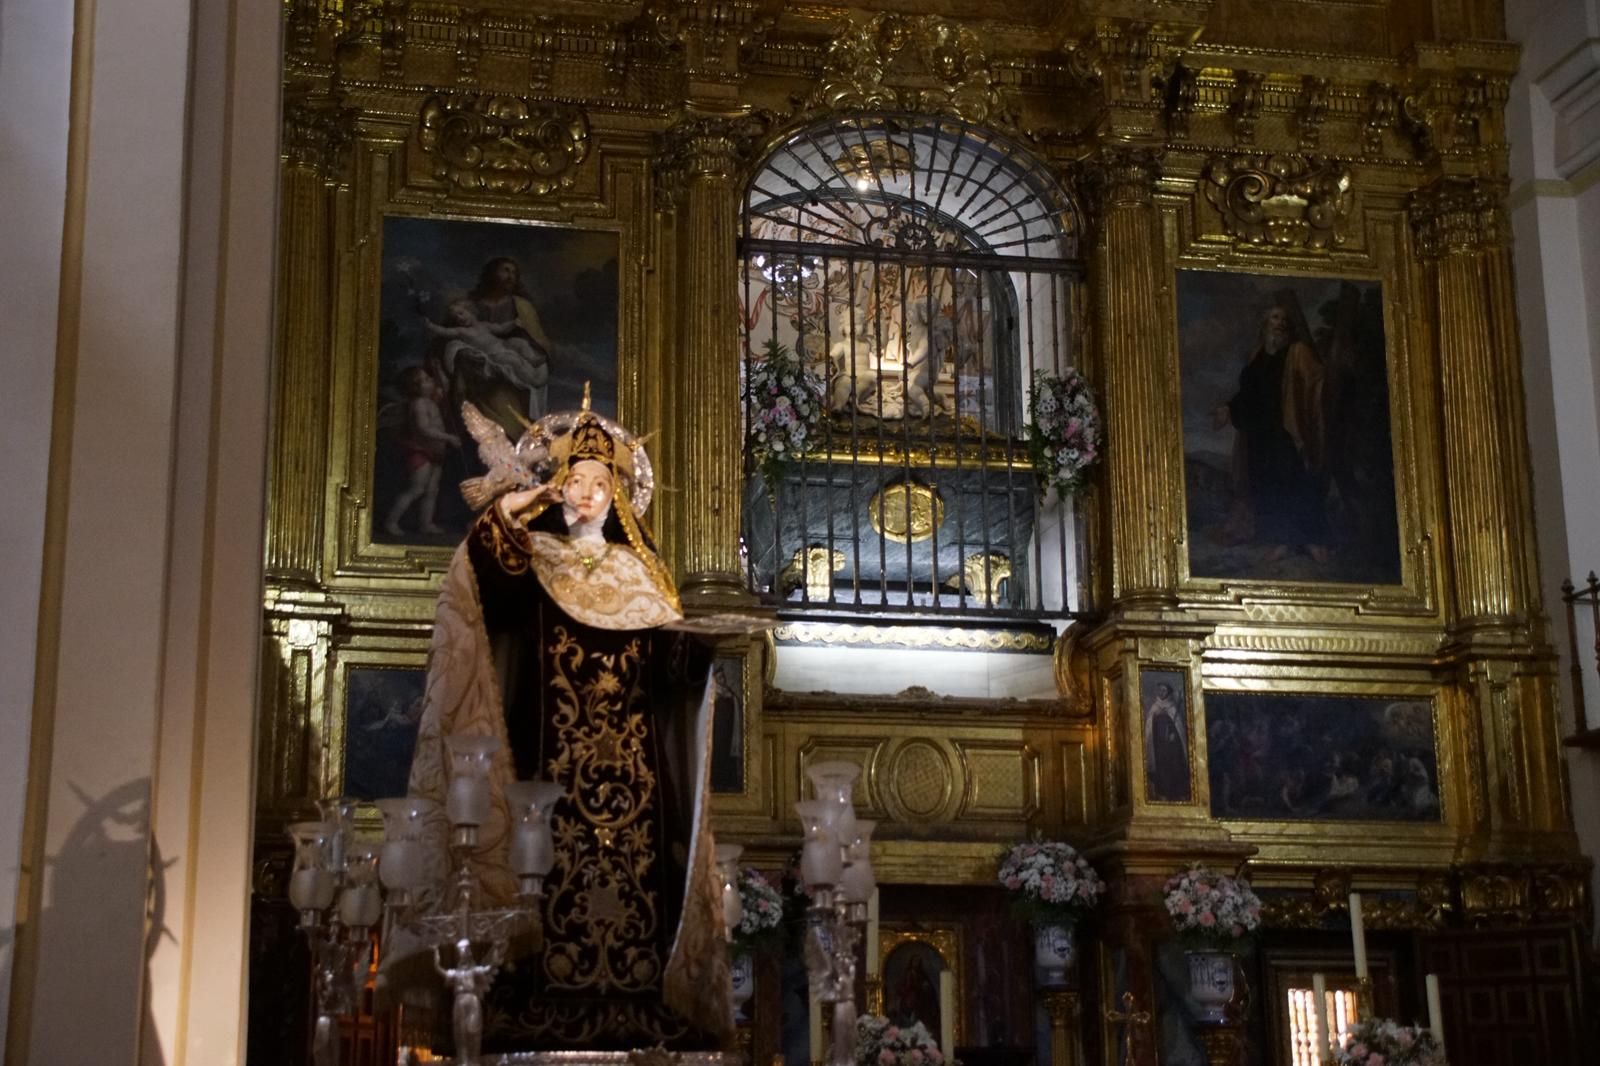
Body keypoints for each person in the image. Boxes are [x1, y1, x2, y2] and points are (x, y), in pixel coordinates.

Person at [401, 394, 733, 1051]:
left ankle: (635, 1000)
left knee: (642, 885)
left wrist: (700, 650)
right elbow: (482, 579)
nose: (585, 493)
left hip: (637, 787)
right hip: (547, 773)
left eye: (600, 483)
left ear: (619, 497)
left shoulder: (644, 576)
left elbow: (670, 671)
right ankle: (536, 1000)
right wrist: (515, 506)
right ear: (558, 487)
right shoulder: (536, 559)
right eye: (575, 481)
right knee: (542, 879)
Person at [1212, 291, 1330, 564]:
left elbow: (1317, 379)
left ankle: (1312, 539)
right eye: (1274, 318)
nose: (1279, 323)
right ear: (1265, 323)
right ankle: (1280, 541)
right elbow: (1247, 393)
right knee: (1267, 487)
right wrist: (1228, 408)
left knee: (1297, 481)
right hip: (1259, 433)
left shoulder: (1296, 352)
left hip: (1286, 431)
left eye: (1283, 319)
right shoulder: (1257, 356)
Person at [421, 299, 550, 419]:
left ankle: (533, 360)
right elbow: (444, 331)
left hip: (503, 345)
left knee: (519, 343)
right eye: (456, 317)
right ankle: (534, 379)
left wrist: (513, 323)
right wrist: (431, 326)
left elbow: (501, 328)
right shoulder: (461, 331)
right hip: (495, 354)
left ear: (470, 311)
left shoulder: (484, 325)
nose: (460, 318)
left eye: (461, 313)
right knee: (513, 360)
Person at [468, 256, 553, 421]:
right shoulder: (472, 305)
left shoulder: (521, 305)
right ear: (492, 273)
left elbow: (538, 339)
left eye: (514, 272)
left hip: (516, 361)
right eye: (505, 270)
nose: (510, 276)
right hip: (483, 359)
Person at [383, 365, 459, 536]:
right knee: (417, 489)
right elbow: (423, 428)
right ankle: (391, 522)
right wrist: (448, 438)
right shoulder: (418, 404)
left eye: (429, 378)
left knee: (432, 491)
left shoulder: (431, 401)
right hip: (421, 451)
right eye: (425, 380)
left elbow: (444, 385)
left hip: (436, 453)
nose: (430, 381)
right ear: (414, 386)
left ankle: (426, 524)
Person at [1142, 682, 1190, 802]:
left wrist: (1174, 734)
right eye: (1160, 690)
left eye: (1164, 690)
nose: (1161, 692)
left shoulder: (1173, 707)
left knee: (1175, 767)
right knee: (1162, 770)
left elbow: (1179, 727)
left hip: (1173, 746)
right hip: (1159, 746)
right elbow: (1149, 728)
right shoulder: (1155, 707)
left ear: (1168, 692)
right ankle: (1162, 793)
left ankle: (1178, 793)